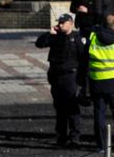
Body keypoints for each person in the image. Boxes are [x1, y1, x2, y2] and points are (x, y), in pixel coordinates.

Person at [36, 13, 85, 147]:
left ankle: (75, 137)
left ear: (71, 23)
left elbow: (83, 58)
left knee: (71, 106)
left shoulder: (77, 39)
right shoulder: (55, 36)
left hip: (70, 76)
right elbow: (39, 44)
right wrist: (49, 33)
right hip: (56, 75)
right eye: (59, 22)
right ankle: (61, 136)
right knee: (59, 107)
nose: (60, 25)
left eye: (63, 22)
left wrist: (82, 80)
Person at [88, 12, 114, 147]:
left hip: (97, 81)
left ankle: (101, 145)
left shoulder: (93, 36)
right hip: (113, 81)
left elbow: (84, 58)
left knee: (99, 114)